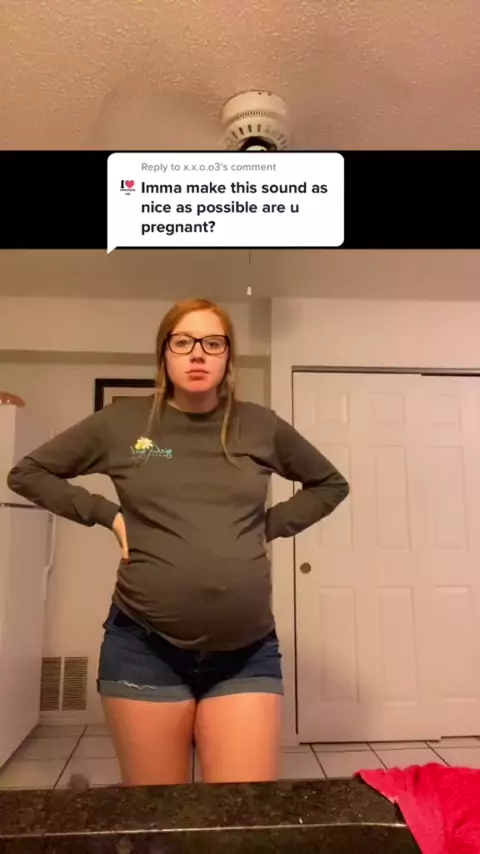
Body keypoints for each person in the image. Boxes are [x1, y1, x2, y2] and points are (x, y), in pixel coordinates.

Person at [7, 298, 349, 786]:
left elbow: (330, 484)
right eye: (183, 342)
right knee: (159, 815)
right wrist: (107, 514)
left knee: (241, 811)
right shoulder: (122, 425)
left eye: (213, 343)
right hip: (144, 648)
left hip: (247, 652)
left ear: (228, 357)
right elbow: (28, 473)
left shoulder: (260, 425)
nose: (198, 353)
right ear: (164, 353)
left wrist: (266, 526)